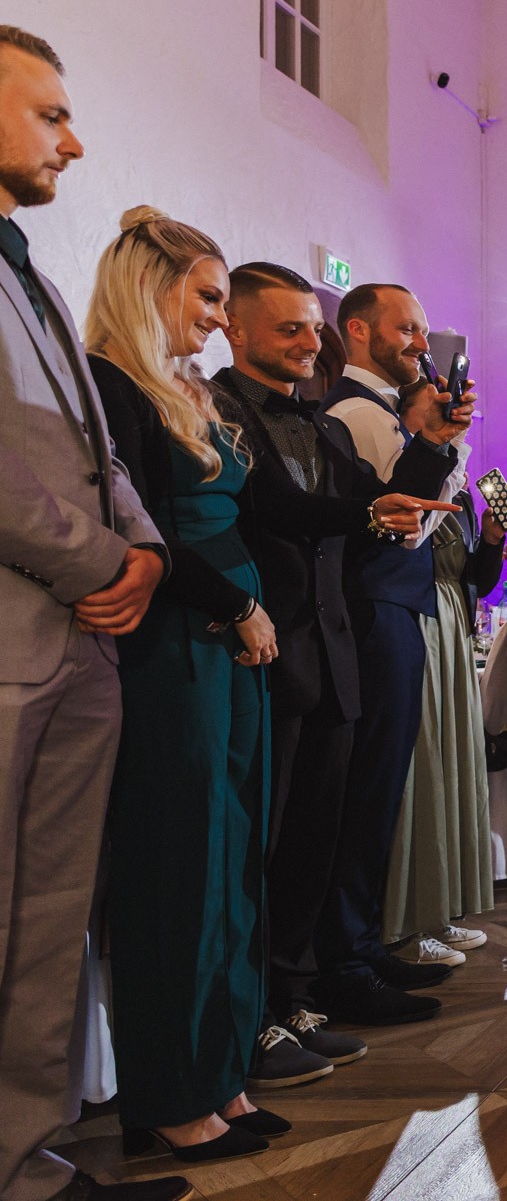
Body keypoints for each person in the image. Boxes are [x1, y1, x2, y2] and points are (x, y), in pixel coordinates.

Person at [0, 25, 185, 1201]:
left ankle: (22, 1159)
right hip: (19, 635)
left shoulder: (36, 277)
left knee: (47, 922)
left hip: (79, 642)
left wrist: (149, 550)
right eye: (49, 114)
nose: (73, 141)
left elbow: (95, 447)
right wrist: (103, 560)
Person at [212, 261, 450, 1085]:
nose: (310, 344)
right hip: (269, 652)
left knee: (312, 842)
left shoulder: (317, 422)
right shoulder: (223, 409)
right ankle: (259, 1011)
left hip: (331, 652)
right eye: (290, 329)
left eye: (313, 329)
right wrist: (372, 511)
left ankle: (294, 997)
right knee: (267, 845)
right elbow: (283, 510)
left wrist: (430, 448)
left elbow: (377, 501)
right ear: (234, 329)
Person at [85, 208, 283, 1163]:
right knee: (179, 869)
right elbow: (147, 526)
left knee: (236, 858)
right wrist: (233, 605)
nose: (218, 316)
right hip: (174, 646)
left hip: (229, 642)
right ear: (149, 285)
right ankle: (168, 1094)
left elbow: (271, 508)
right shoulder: (109, 385)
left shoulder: (186, 390)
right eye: (206, 297)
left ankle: (222, 1072)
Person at [314, 283, 472, 1026]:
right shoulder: (356, 413)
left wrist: (436, 444)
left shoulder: (389, 412)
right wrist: (432, 448)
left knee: (381, 789)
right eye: (405, 328)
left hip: (392, 608)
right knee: (365, 789)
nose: (419, 342)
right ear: (357, 330)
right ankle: (344, 961)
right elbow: (403, 530)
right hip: (373, 611)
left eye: (421, 329)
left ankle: (364, 945)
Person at [380, 379, 506, 965]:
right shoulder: (407, 480)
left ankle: (439, 907)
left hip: (453, 619)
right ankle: (406, 919)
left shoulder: (458, 487)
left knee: (453, 763)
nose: (453, 434)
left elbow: (478, 577)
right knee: (425, 762)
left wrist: (496, 538)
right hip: (422, 617)